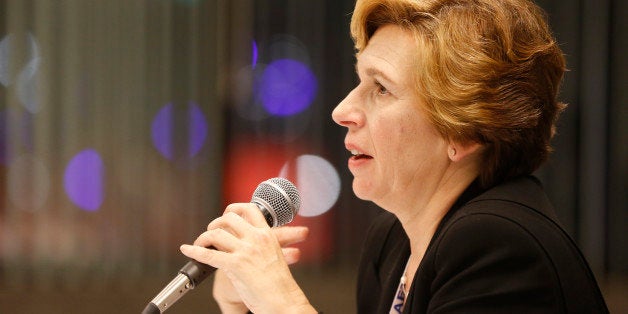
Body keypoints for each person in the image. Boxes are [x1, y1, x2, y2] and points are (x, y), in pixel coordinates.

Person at [180, 0, 609, 312]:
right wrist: (245, 307)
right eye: (358, 80)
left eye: (380, 88)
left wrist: (281, 301)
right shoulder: (393, 244)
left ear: (464, 130)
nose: (342, 111)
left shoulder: (500, 247)